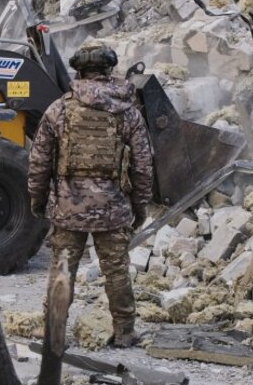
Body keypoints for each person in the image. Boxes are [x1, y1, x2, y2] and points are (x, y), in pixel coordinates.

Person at [27, 40, 156, 348]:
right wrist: (139, 207)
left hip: (68, 208)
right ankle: (125, 331)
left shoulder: (60, 109)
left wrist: (38, 198)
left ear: (80, 71)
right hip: (112, 208)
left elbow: (39, 160)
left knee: (63, 270)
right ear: (109, 69)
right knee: (116, 272)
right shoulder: (128, 112)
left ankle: (54, 332)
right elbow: (143, 165)